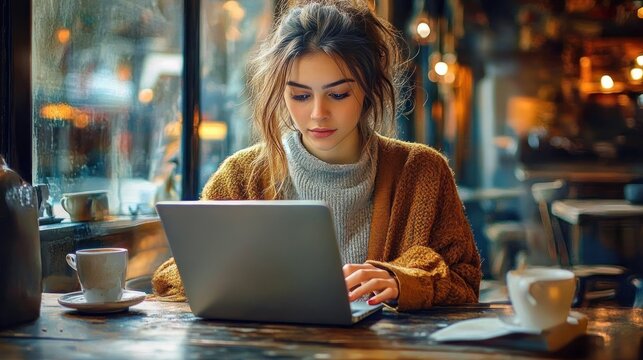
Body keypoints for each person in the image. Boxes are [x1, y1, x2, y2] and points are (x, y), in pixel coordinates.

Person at [152, 0, 481, 311]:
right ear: (281, 93)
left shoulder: (422, 172)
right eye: (300, 95)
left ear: (368, 89)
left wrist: (402, 281)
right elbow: (172, 276)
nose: (317, 114)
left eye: (338, 94)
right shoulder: (241, 176)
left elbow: (465, 280)